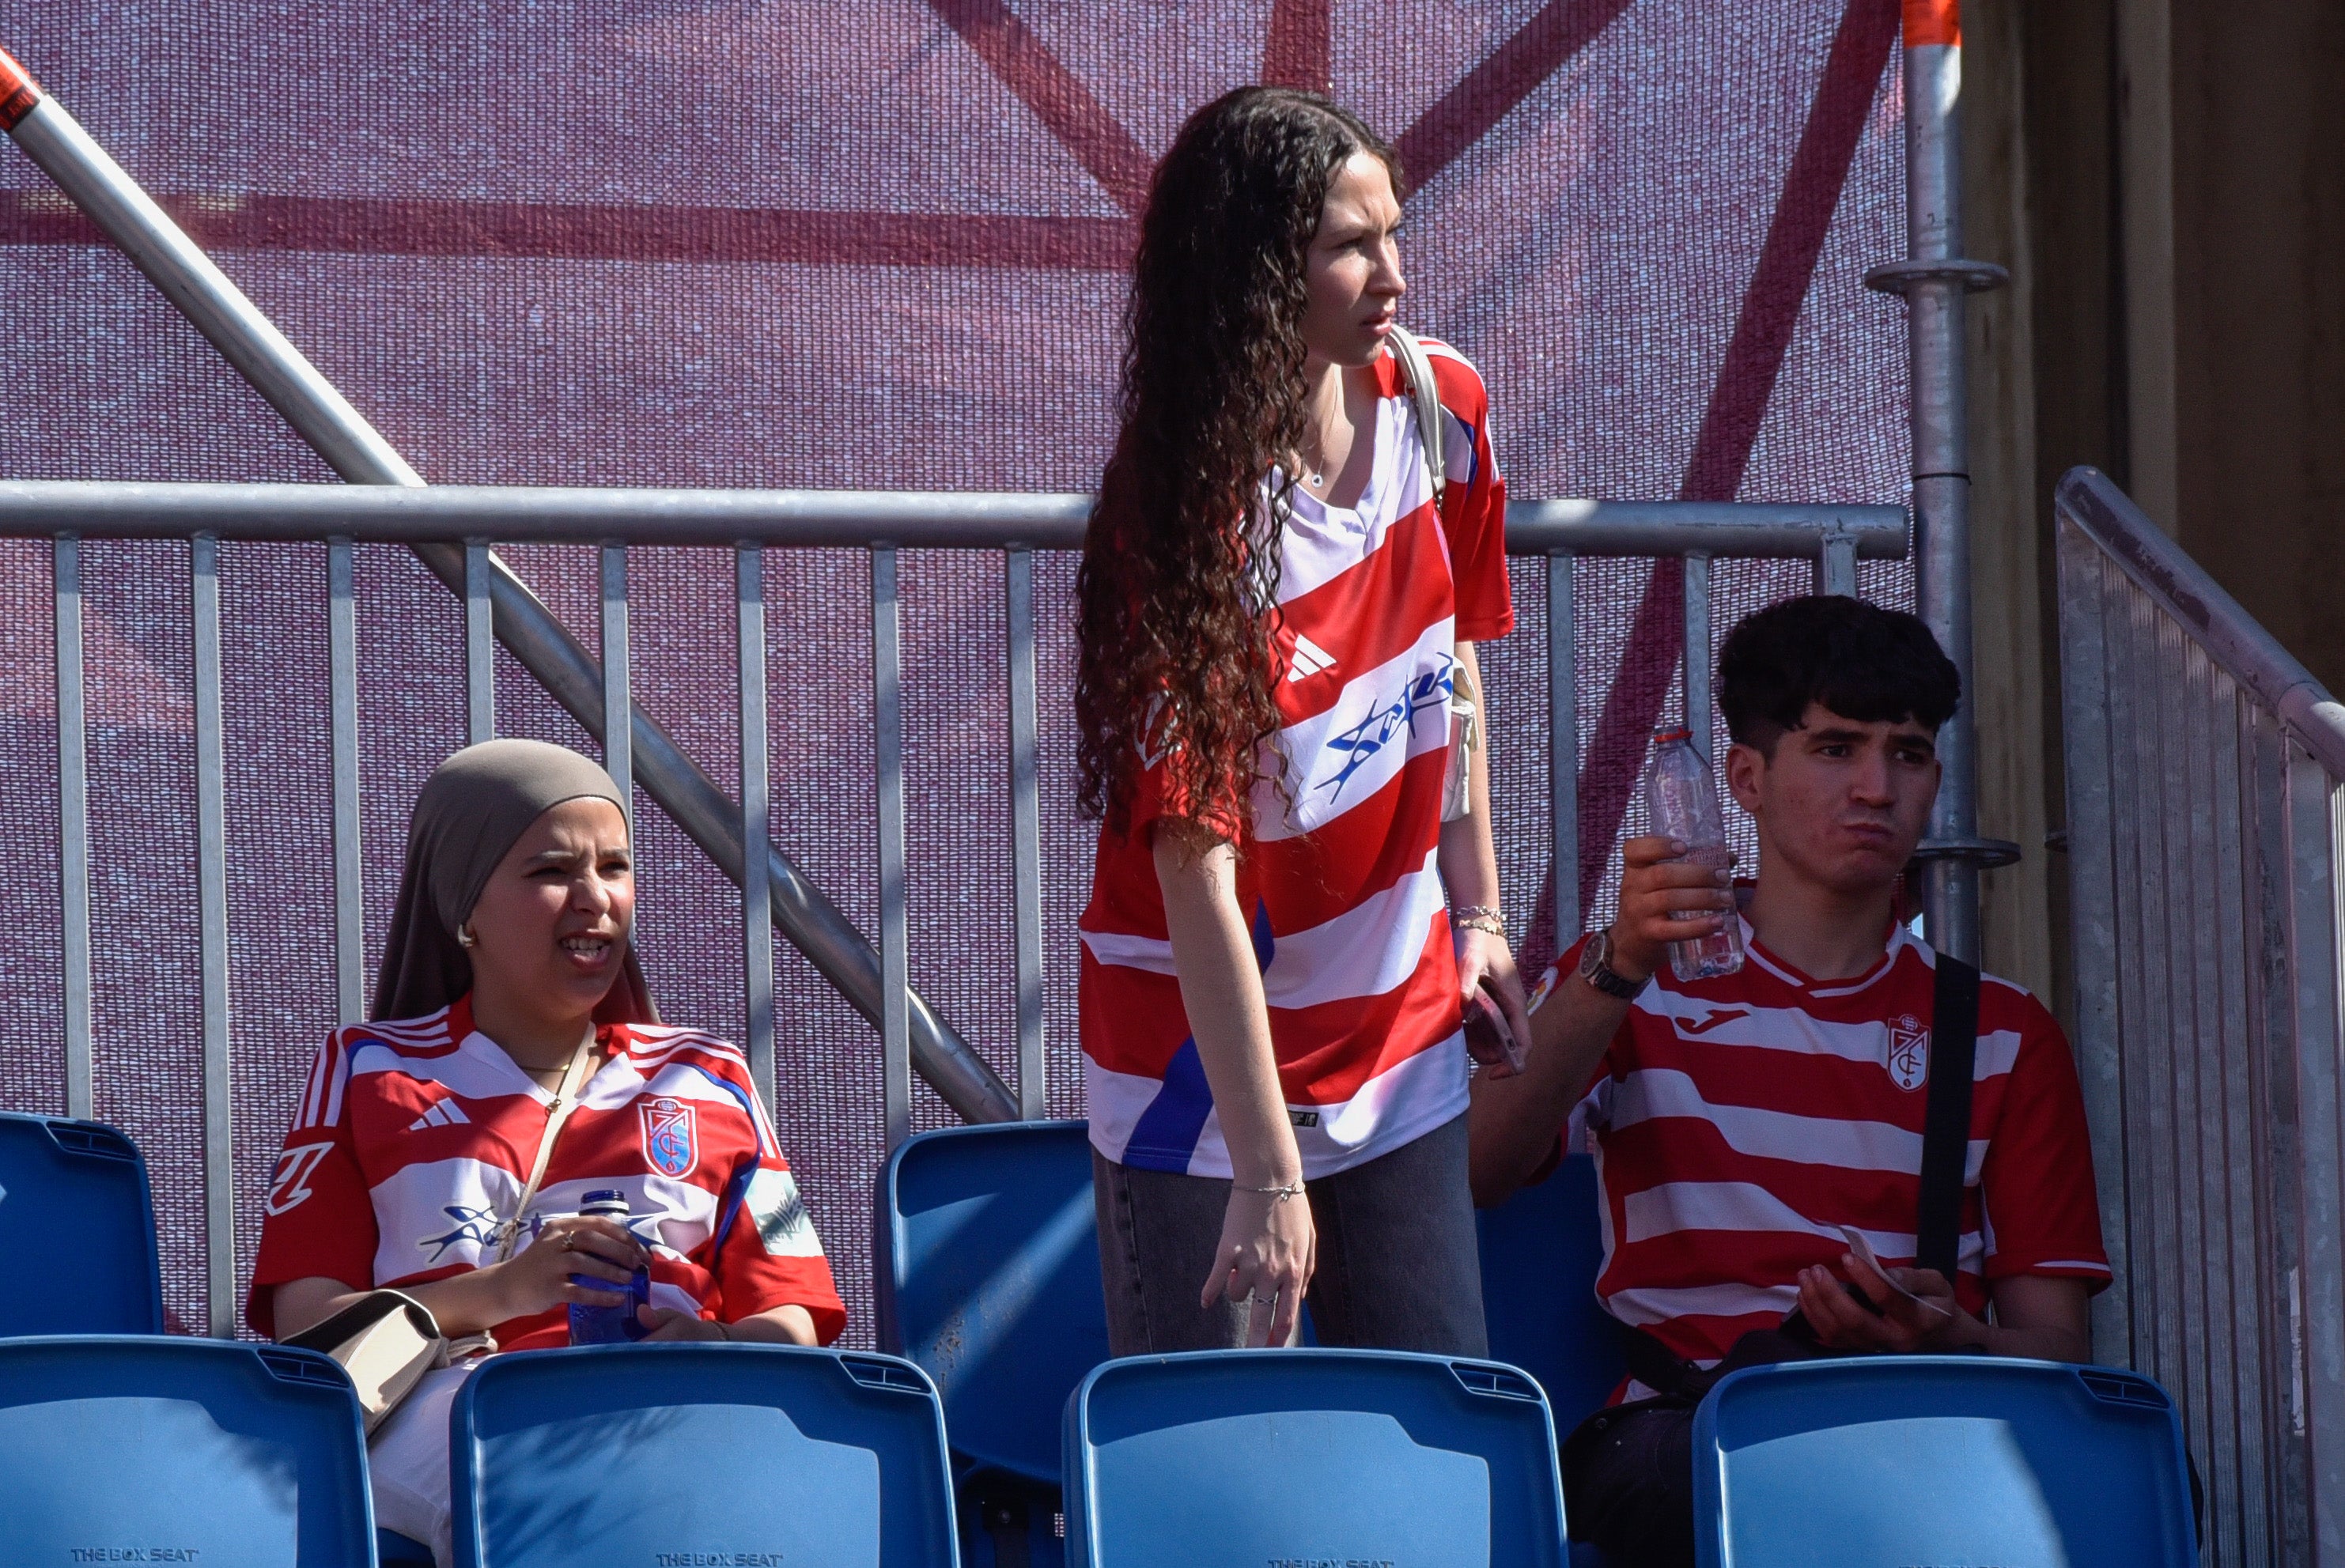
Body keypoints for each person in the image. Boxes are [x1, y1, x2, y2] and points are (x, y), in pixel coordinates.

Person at [1467, 595, 2109, 1566]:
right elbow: (1478, 1169)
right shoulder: (1625, 979)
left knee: (2131, 1483)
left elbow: (2058, 1350)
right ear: (1746, 779)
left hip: (1927, 1425)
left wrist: (1947, 1338)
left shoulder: (2004, 1032)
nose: (1876, 788)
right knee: (1708, 1493)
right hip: (1690, 1430)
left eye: (1907, 753)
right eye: (1835, 748)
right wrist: (1619, 967)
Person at [1073, 85, 1528, 1356]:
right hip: (1201, 1083)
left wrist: (1480, 913)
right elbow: (1194, 869)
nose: (1394, 274)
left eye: (1394, 232)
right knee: (1215, 1451)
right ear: (1256, 272)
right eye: (1349, 245)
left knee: (1436, 1428)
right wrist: (1269, 1173)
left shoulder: (1442, 404)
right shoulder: (1179, 513)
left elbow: (1451, 668)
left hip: (1399, 1036)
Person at [248, 739, 845, 1566]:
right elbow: (308, 1328)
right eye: (551, 871)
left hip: (682, 1403)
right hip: (454, 1403)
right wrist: (505, 1291)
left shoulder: (712, 1074)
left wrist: (714, 1345)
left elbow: (793, 1315)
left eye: (615, 867)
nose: (595, 899)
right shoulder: (366, 1069)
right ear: (465, 908)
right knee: (536, 1486)